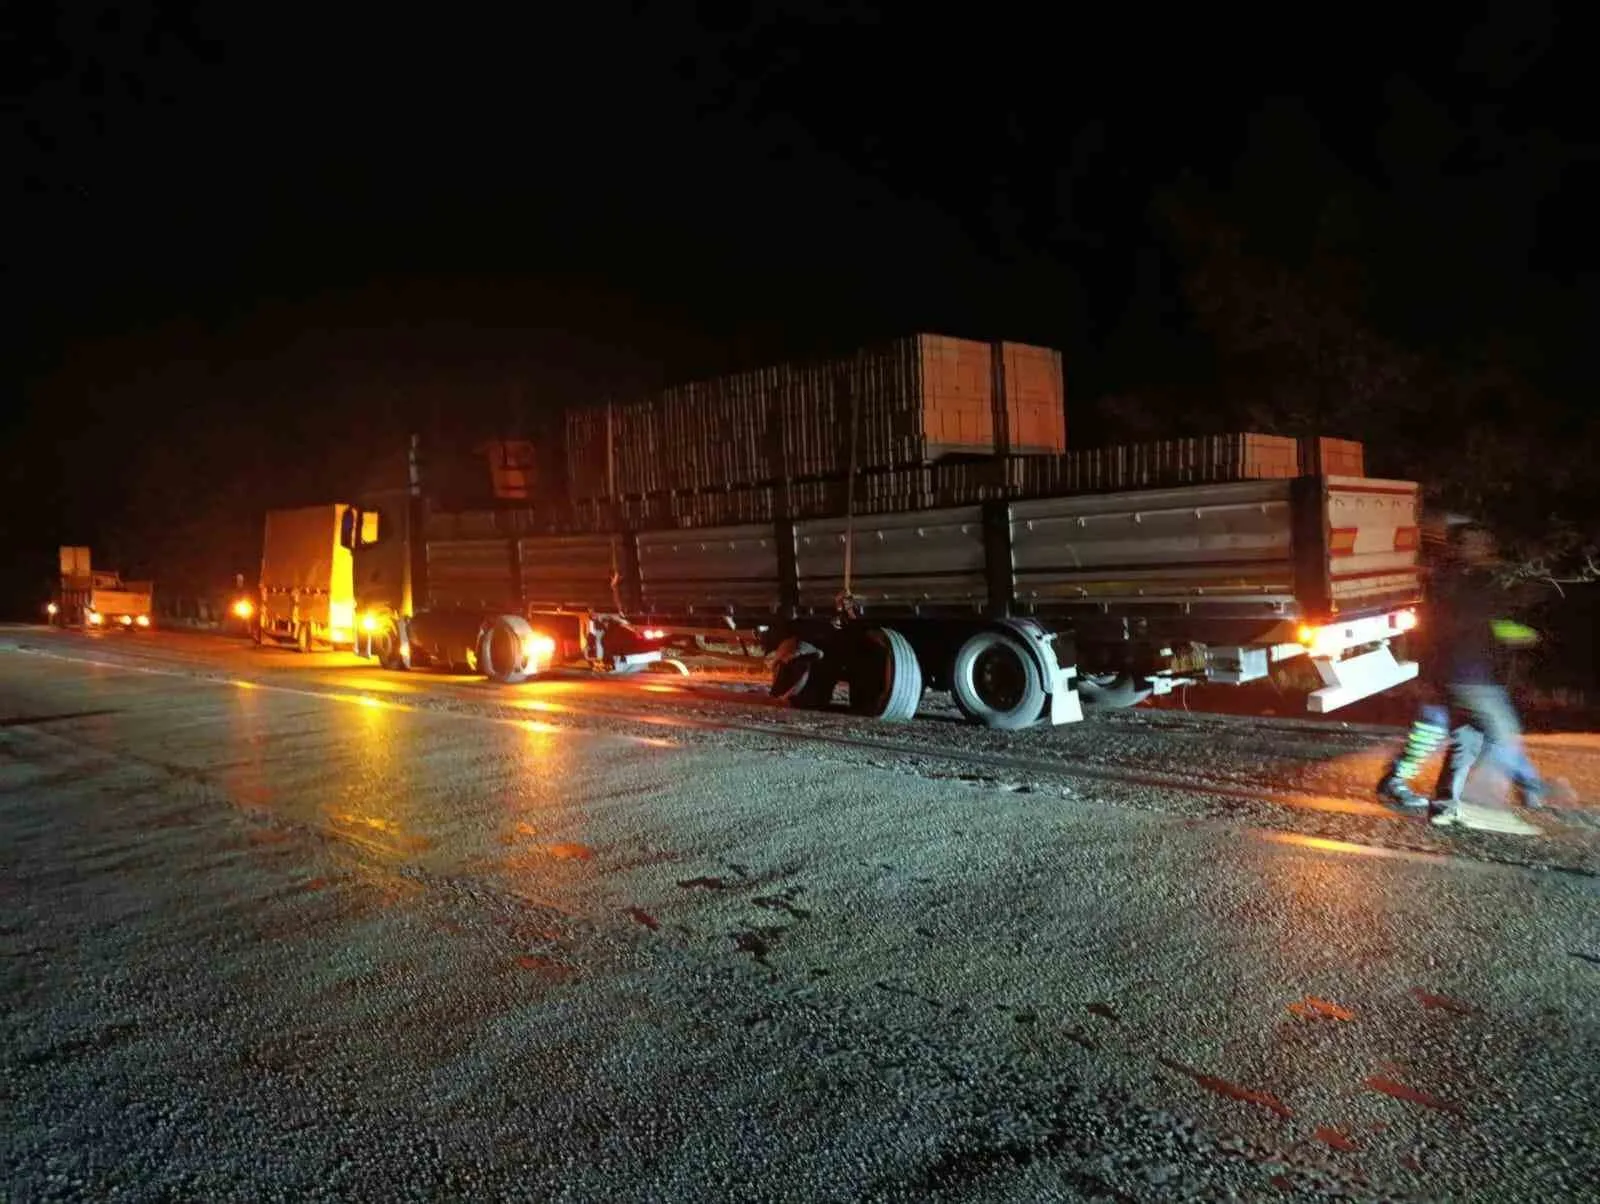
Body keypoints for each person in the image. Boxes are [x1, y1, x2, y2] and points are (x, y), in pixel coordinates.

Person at [1376, 519, 1556, 825]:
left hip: (1458, 672)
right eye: (1476, 542)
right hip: (1466, 674)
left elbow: (1486, 622)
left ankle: (1445, 805)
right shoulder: (1464, 582)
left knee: (1465, 736)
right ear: (1460, 548)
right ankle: (1495, 795)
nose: (1484, 548)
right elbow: (1481, 622)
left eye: (1485, 542)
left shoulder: (1461, 578)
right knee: (1499, 734)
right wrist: (1519, 631)